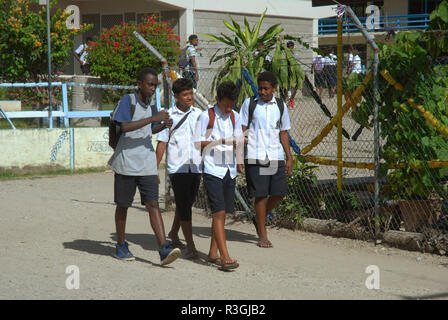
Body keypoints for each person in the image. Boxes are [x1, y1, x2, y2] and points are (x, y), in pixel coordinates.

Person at [108, 67, 181, 266]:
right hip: (126, 163)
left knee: (153, 204)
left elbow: (149, 129)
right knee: (123, 205)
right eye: (150, 84)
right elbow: (123, 126)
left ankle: (163, 248)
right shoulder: (128, 101)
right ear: (139, 84)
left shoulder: (151, 105)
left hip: (147, 163)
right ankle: (121, 245)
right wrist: (153, 119)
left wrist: (163, 124)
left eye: (155, 85)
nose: (152, 88)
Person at [194, 81, 244, 271]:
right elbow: (198, 144)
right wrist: (220, 142)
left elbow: (238, 140)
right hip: (212, 169)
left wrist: (239, 159)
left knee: (223, 213)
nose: (228, 108)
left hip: (229, 170)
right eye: (225, 105)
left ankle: (213, 253)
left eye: (231, 105)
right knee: (219, 212)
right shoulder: (206, 117)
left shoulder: (235, 117)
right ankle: (225, 257)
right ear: (217, 100)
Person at [240, 71, 293, 248]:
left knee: (279, 193)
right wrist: (239, 155)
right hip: (255, 155)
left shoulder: (280, 105)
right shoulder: (250, 104)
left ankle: (259, 218)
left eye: (266, 89)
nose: (262, 92)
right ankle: (262, 234)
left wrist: (289, 157)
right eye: (260, 88)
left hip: (275, 154)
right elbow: (242, 130)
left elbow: (284, 132)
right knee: (260, 195)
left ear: (274, 88)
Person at [156, 78, 203, 259]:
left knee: (187, 203)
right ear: (176, 96)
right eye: (185, 95)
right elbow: (162, 143)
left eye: (191, 93)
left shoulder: (199, 114)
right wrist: (155, 169)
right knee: (184, 205)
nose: (189, 97)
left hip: (196, 166)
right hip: (178, 168)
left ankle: (174, 233)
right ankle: (190, 246)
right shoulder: (169, 116)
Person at [286, 41, 300, 108]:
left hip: (294, 72)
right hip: (287, 71)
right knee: (288, 87)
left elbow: (296, 61)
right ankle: (290, 102)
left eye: (292, 46)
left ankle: (292, 100)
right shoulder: (285, 54)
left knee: (294, 87)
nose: (291, 48)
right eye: (289, 47)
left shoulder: (295, 54)